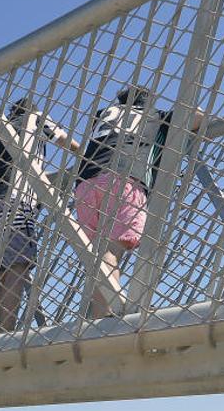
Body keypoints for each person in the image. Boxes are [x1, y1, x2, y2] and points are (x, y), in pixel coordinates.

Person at [0, 98, 79, 332]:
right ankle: (8, 333)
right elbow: (62, 139)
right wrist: (86, 153)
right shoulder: (35, 117)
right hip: (14, 198)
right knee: (18, 266)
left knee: (1, 270)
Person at [74, 86, 173, 317]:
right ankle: (107, 315)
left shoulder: (104, 114)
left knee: (97, 251)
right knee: (110, 249)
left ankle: (100, 312)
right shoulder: (155, 116)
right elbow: (195, 116)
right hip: (125, 176)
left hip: (85, 181)